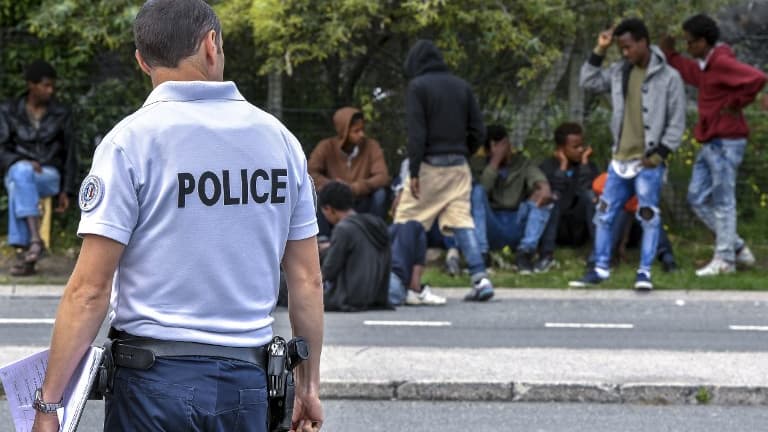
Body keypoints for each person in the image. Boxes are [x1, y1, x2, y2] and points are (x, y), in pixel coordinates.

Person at [31, 1, 323, 431]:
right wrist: (308, 387)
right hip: (247, 383)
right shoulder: (280, 142)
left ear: (141, 60)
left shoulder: (130, 143)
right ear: (211, 45)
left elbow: (90, 290)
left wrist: (49, 406)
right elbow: (307, 280)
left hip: (152, 384)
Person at [572, 18, 686, 291]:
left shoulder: (669, 77)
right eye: (621, 48)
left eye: (628, 47)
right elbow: (587, 81)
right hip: (619, 160)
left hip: (647, 161)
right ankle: (600, 268)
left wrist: (658, 155)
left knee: (647, 215)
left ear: (644, 42)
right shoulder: (619, 71)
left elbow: (677, 123)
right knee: (604, 213)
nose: (625, 53)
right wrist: (600, 48)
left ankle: (644, 272)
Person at [660, 14, 765, 276]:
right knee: (696, 197)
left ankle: (725, 260)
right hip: (711, 141)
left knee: (723, 200)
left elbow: (757, 78)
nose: (688, 47)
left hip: (726, 141)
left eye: (691, 42)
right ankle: (737, 247)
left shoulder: (721, 62)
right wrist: (670, 54)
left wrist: (737, 103)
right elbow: (690, 72)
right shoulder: (706, 65)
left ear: (704, 41)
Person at [394, 39, 494, 302]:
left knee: (406, 219)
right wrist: (464, 151)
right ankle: (480, 278)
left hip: (429, 166)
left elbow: (417, 134)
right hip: (459, 166)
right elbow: (479, 130)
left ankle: (397, 281)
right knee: (462, 220)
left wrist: (414, 171)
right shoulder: (462, 87)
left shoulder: (418, 87)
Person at [0, 60, 78, 276]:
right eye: (45, 85)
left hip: (48, 175)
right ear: (31, 85)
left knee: (18, 182)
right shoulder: (8, 111)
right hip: (17, 170)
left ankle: (29, 244)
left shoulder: (61, 113)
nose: (50, 90)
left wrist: (66, 190)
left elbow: (70, 153)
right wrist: (22, 160)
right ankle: (33, 250)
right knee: (21, 174)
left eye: (52, 86)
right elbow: (2, 149)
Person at [470, 124, 553, 274]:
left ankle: (525, 253)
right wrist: (495, 162)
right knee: (476, 192)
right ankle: (482, 254)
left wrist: (544, 188)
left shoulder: (521, 162)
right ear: (488, 149)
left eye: (504, 145)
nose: (503, 150)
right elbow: (483, 190)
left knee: (543, 196)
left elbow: (539, 180)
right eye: (497, 146)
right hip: (492, 223)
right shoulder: (478, 165)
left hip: (516, 220)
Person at [309, 107, 390, 240]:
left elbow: (382, 176)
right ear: (344, 131)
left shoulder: (371, 146)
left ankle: (374, 235)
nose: (361, 134)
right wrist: (334, 187)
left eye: (362, 129)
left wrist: (355, 188)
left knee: (380, 194)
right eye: (356, 131)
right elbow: (311, 172)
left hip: (361, 199)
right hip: (334, 202)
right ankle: (323, 238)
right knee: (315, 193)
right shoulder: (326, 146)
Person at [318, 181, 392, 311]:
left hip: (348, 298)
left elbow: (328, 271)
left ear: (328, 209)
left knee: (285, 284)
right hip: (377, 297)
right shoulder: (377, 224)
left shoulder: (343, 229)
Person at [538, 122, 599, 272]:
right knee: (553, 198)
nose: (581, 150)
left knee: (589, 197)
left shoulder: (588, 166)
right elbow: (551, 193)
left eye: (582, 145)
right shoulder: (547, 166)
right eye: (575, 147)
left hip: (579, 226)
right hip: (558, 227)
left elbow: (589, 191)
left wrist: (584, 165)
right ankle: (546, 255)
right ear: (561, 148)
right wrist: (563, 167)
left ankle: (598, 253)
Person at [592, 172, 678, 272]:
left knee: (649, 218)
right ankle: (597, 259)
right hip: (615, 217)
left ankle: (667, 258)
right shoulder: (601, 182)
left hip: (634, 218)